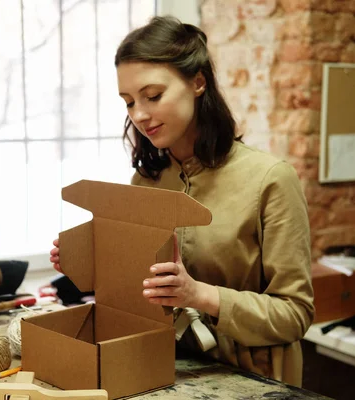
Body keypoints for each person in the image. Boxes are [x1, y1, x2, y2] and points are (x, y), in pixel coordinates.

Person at [50, 16, 314, 387]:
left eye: (153, 96)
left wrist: (200, 295)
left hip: (254, 378)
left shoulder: (271, 179)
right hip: (167, 368)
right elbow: (142, 292)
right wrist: (90, 265)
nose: (139, 115)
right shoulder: (146, 180)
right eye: (128, 102)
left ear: (198, 82)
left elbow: (295, 314)